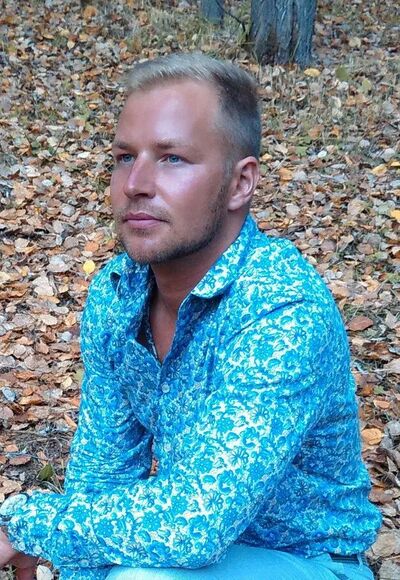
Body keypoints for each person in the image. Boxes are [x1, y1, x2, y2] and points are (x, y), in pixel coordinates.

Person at [0, 53, 381, 580]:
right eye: (124, 157)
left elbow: (193, 524)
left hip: (309, 560)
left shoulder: (283, 308)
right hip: (178, 553)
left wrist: (25, 523)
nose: (136, 183)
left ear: (240, 183)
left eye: (172, 158)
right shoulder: (118, 293)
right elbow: (101, 477)